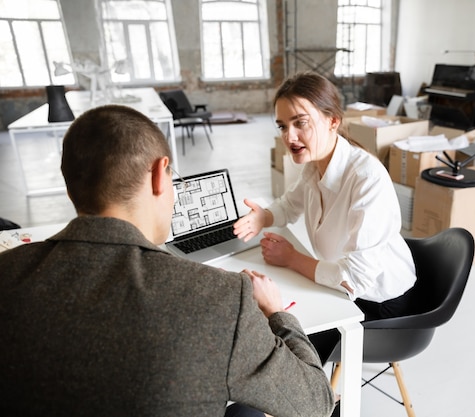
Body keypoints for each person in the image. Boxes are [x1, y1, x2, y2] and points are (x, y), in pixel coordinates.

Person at [0, 105, 335, 417]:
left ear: (71, 185)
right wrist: (278, 314)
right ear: (161, 175)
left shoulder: (7, 273)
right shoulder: (221, 298)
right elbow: (314, 402)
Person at [233, 71, 417, 363]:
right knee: (268, 323)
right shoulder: (314, 164)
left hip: (380, 305)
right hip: (339, 287)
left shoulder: (366, 177)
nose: (288, 137)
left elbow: (357, 279)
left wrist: (292, 258)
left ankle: (324, 401)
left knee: (283, 348)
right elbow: (289, 205)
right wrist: (263, 217)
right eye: (282, 126)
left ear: (333, 121)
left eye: (300, 123)